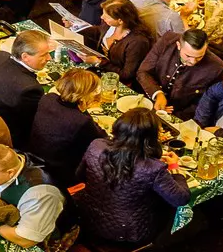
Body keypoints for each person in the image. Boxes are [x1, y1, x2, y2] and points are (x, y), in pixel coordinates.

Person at [72, 105, 191, 248]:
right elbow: (181, 198)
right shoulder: (153, 168)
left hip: (88, 216)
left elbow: (79, 176)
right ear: (151, 139)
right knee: (166, 206)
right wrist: (174, 169)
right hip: (127, 232)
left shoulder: (96, 145)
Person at [0, 29, 50, 143]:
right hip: (2, 133)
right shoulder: (29, 88)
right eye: (43, 55)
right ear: (25, 57)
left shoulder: (0, 55)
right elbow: (34, 120)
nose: (49, 58)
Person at [136, 28, 223, 114]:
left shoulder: (217, 68)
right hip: (146, 98)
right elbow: (143, 71)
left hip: (179, 113)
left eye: (199, 57)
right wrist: (158, 94)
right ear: (178, 45)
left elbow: (206, 102)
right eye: (188, 56)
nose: (193, 61)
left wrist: (177, 115)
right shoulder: (167, 41)